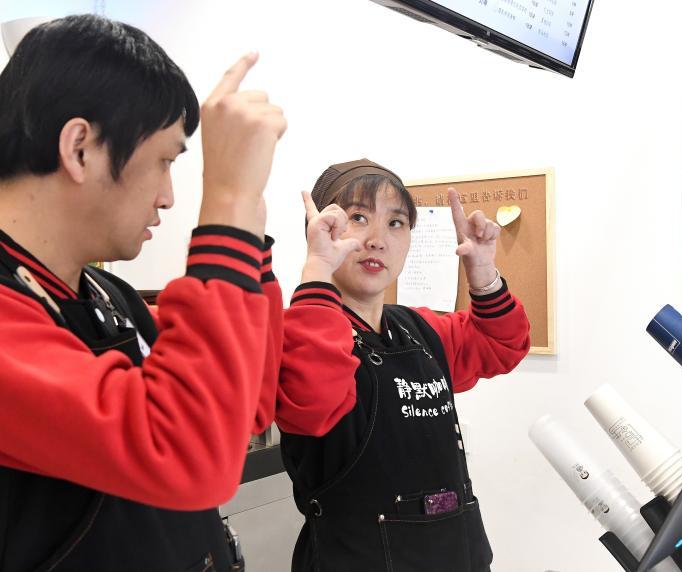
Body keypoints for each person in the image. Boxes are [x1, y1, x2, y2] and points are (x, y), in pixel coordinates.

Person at [0, 15, 286, 571]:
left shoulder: (106, 296)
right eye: (165, 161)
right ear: (80, 148)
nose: (169, 197)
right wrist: (223, 207)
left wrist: (248, 235)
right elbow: (188, 454)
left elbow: (244, 410)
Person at [275, 159, 530, 571]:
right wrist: (317, 272)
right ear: (320, 226)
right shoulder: (300, 333)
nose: (377, 240)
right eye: (358, 217)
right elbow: (314, 400)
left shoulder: (420, 329)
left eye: (396, 223)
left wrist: (482, 273)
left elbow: (503, 344)